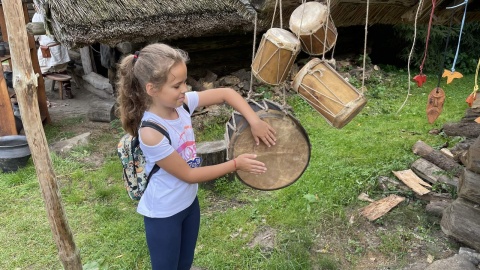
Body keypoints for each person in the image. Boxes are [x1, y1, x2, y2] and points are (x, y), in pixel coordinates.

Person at [116, 43, 276, 270]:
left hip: (189, 203)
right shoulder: (151, 132)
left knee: (185, 263)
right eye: (176, 85)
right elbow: (189, 174)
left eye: (184, 81)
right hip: (164, 214)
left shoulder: (181, 105)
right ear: (151, 89)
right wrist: (235, 164)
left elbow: (226, 93)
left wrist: (255, 120)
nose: (185, 88)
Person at [32, 11, 74, 99]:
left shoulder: (38, 15)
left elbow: (36, 34)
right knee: (62, 70)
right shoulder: (55, 10)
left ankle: (41, 95)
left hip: (47, 49)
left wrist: (36, 39)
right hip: (60, 47)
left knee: (40, 71)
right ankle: (68, 90)